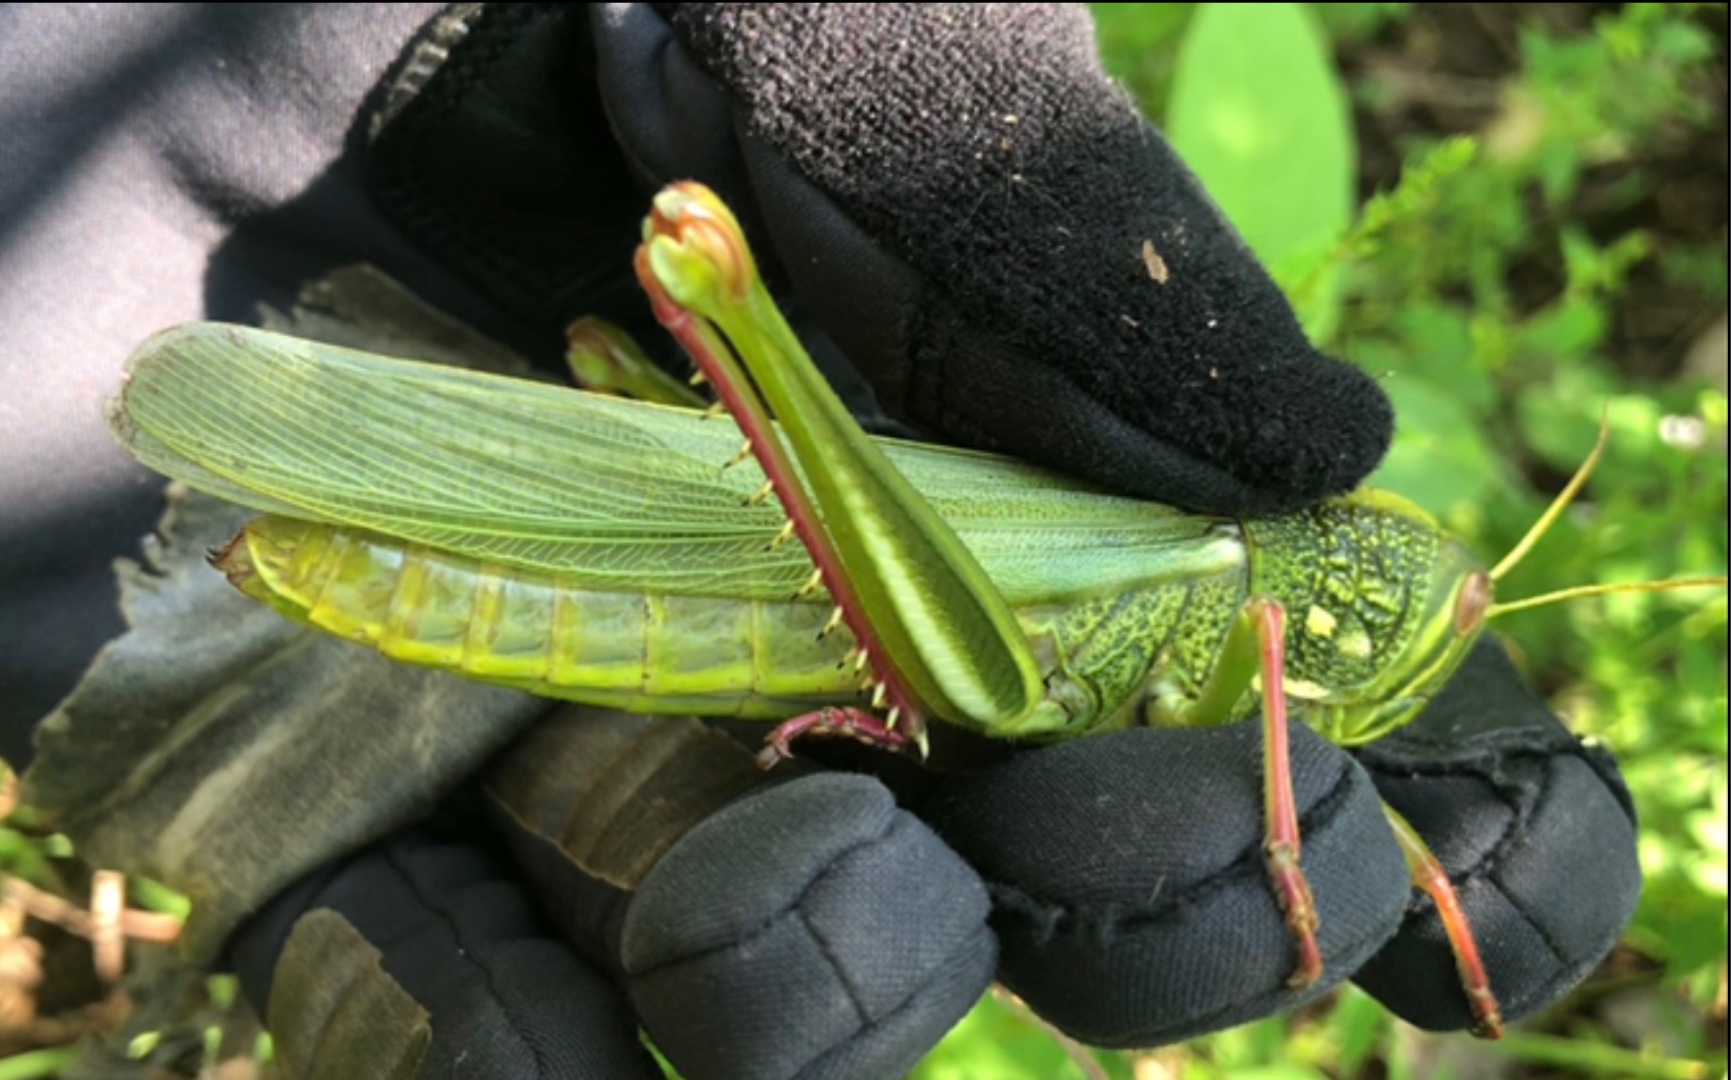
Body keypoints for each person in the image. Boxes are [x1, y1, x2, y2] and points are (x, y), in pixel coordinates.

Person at [0, 6, 1641, 1078]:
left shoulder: (1263, 600)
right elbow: (1263, 665)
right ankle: (701, 321)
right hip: (797, 566)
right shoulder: (1251, 607)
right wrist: (1293, 861)